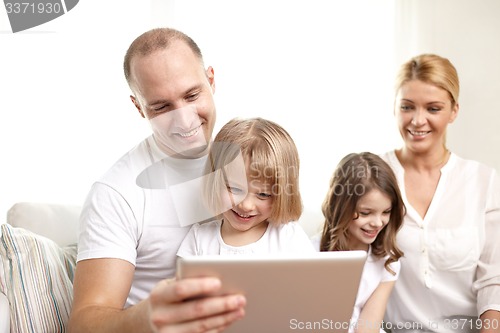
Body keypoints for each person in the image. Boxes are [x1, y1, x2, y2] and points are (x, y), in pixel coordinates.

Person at [68, 28, 246, 333]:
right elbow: (83, 324)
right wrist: (147, 317)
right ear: (139, 107)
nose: (185, 119)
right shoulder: (116, 193)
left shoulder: (248, 159)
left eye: (192, 95)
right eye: (162, 107)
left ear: (211, 80)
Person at [381, 53, 500, 333]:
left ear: (454, 111)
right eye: (407, 107)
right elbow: (347, 268)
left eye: (433, 109)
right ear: (394, 108)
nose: (418, 121)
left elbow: (493, 279)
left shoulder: (484, 181)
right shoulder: (373, 175)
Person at [177, 117, 315, 256]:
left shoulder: (288, 237)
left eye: (263, 194)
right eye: (235, 189)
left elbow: (312, 276)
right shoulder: (199, 239)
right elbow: (182, 276)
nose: (246, 205)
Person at [315, 152, 405, 333]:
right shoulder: (309, 253)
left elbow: (368, 328)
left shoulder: (388, 262)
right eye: (365, 213)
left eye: (386, 212)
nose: (378, 222)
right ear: (340, 206)